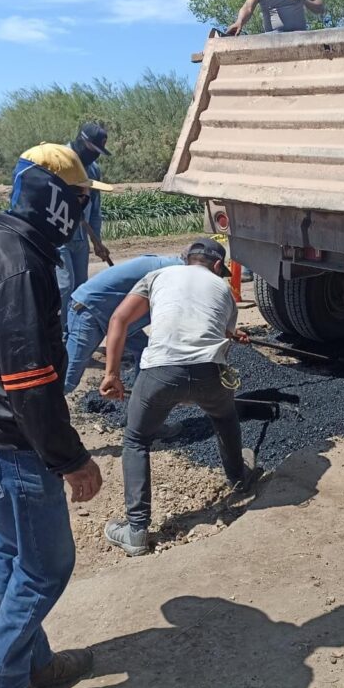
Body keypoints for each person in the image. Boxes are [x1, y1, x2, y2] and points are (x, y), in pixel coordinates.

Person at [0, 143, 113, 688]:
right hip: (11, 448)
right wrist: (71, 459)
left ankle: (33, 668)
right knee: (46, 568)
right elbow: (30, 383)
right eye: (82, 198)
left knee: (11, 560)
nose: (86, 210)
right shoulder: (21, 265)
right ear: (55, 199)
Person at [99, 238, 258, 557]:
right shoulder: (223, 288)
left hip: (161, 373)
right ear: (216, 266)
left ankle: (136, 530)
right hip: (209, 374)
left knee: (136, 440)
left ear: (188, 260)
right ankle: (239, 479)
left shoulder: (160, 276)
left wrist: (112, 374)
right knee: (225, 418)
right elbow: (218, 332)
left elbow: (118, 320)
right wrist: (233, 334)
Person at [16, 123, 113, 339]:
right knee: (64, 287)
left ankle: (76, 334)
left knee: (81, 289)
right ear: (82, 141)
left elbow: (95, 211)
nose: (94, 157)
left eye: (99, 153)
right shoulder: (56, 161)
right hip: (57, 238)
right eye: (93, 151)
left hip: (79, 240)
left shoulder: (93, 170)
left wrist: (97, 241)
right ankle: (58, 335)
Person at [63, 253, 184, 394]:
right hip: (90, 310)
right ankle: (38, 411)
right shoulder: (173, 274)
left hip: (118, 316)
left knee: (144, 352)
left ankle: (139, 401)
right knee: (68, 379)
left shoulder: (178, 268)